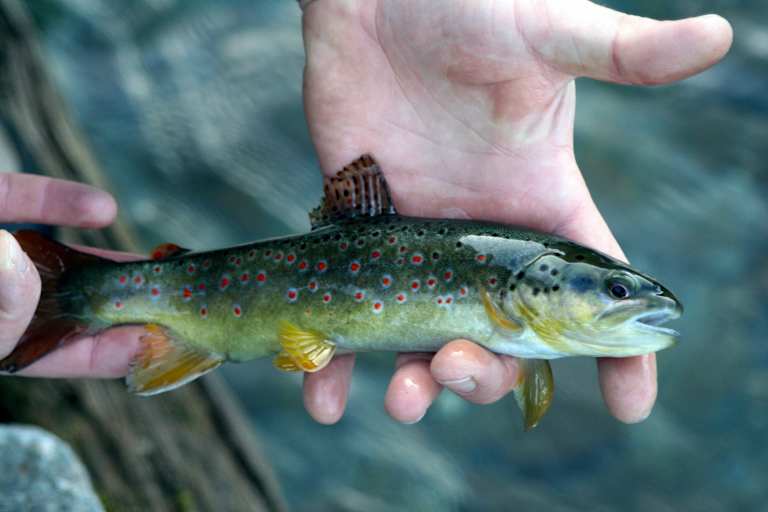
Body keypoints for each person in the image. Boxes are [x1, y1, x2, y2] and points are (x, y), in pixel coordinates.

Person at [0, 0, 731, 426]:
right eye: (612, 291)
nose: (631, 303)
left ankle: (69, 298)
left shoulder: (522, 311)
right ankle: (72, 295)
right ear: (535, 284)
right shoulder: (511, 294)